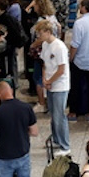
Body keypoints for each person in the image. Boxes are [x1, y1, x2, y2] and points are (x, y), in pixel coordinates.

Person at [36, 19, 71, 153]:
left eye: (41, 33)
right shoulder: (45, 44)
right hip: (50, 83)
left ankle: (65, 145)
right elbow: (44, 64)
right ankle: (56, 139)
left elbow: (61, 69)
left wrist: (49, 81)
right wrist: (45, 79)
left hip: (60, 85)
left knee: (59, 116)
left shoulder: (59, 47)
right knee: (53, 114)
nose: (39, 36)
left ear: (48, 32)